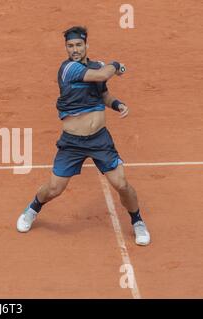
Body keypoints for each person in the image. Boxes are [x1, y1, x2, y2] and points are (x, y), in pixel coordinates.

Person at [16, 26, 150, 246]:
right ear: (66, 48)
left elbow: (103, 93)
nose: (74, 49)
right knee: (54, 189)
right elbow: (104, 73)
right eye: (70, 46)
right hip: (72, 143)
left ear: (86, 44)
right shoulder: (68, 69)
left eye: (78, 45)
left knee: (122, 184)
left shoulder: (97, 65)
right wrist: (115, 65)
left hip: (99, 139)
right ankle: (33, 208)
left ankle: (138, 222)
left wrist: (117, 104)